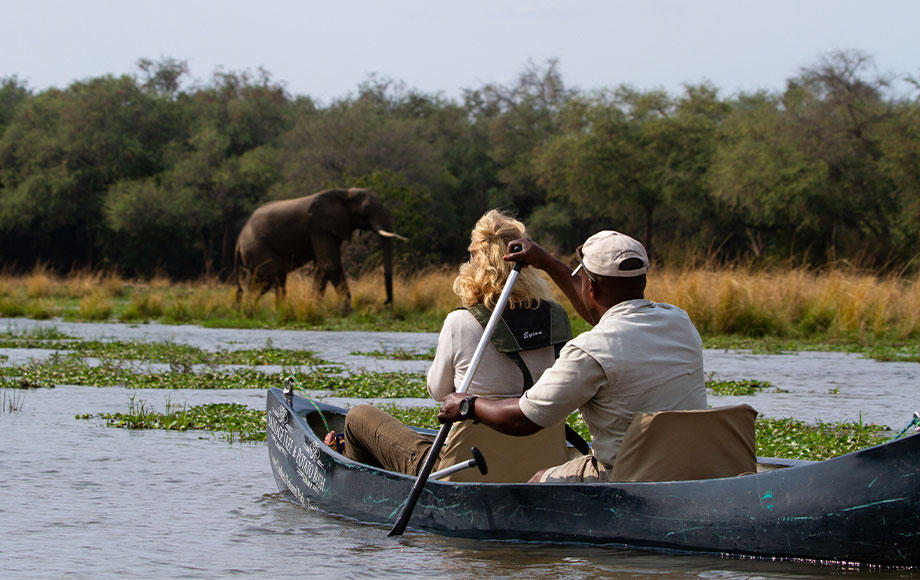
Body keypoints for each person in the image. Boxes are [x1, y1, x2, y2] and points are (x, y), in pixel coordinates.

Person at [437, 230, 708, 482]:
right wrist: (545, 261)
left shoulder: (590, 350)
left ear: (591, 288)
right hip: (686, 466)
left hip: (625, 477)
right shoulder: (679, 320)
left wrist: (468, 404)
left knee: (540, 478)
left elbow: (523, 419)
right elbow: (600, 313)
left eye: (582, 277)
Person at [324, 209, 573, 482]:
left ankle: (357, 483)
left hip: (462, 472)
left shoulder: (460, 322)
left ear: (476, 261)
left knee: (359, 417)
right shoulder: (556, 317)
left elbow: (439, 391)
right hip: (541, 468)